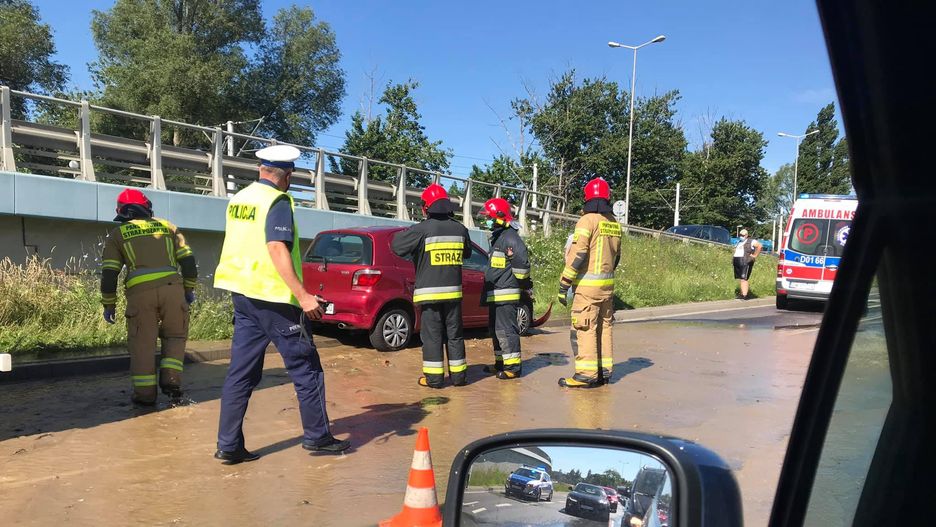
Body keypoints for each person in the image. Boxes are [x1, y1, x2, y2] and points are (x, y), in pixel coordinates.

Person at [213, 144, 349, 464]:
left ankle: (228, 445)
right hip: (274, 299)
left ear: (262, 169)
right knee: (307, 368)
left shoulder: (240, 198)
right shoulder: (278, 200)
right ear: (287, 176)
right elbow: (276, 247)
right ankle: (318, 437)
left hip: (243, 295)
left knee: (241, 373)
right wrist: (302, 295)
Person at [100, 188, 197, 406]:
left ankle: (145, 397)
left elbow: (109, 274)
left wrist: (109, 304)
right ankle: (171, 382)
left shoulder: (118, 234)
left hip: (140, 295)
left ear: (121, 212)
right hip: (173, 290)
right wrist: (189, 289)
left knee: (142, 344)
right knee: (175, 337)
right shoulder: (168, 227)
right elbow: (189, 262)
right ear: (147, 208)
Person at [391, 184, 472, 388]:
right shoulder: (460, 229)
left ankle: (435, 380)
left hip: (430, 295)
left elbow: (396, 246)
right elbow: (468, 253)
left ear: (426, 208)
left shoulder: (421, 230)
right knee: (455, 335)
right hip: (453, 295)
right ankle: (459, 377)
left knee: (433, 336)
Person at [556, 178, 622, 388]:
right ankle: (603, 371)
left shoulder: (586, 221)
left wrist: (564, 283)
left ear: (587, 197)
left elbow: (578, 254)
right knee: (604, 327)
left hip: (586, 288)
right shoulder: (613, 223)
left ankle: (585, 374)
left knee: (584, 328)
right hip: (607, 287)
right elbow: (616, 257)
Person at [478, 197, 531, 380]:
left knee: (506, 330)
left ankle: (513, 367)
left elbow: (522, 266)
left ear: (499, 217)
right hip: (496, 293)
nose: (487, 221)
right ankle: (500, 363)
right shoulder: (499, 237)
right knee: (495, 330)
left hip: (505, 293)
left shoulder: (510, 238)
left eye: (489, 217)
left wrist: (522, 284)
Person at [733, 228, 762, 300]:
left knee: (744, 278)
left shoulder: (751, 241)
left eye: (742, 235)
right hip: (738, 261)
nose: (741, 236)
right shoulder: (739, 242)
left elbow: (759, 246)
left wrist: (755, 255)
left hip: (746, 261)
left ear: (746, 235)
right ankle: (742, 293)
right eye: (740, 235)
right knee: (741, 278)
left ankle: (745, 295)